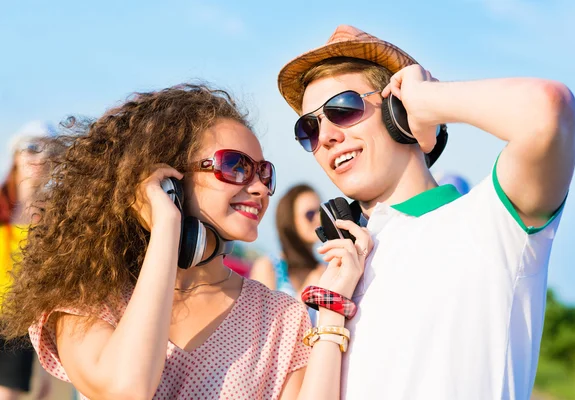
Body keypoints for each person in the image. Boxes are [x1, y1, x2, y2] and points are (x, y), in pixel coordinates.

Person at [0, 83, 372, 400]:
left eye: (264, 173)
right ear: (169, 180)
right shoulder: (87, 297)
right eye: (236, 166)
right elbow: (125, 388)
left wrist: (332, 310)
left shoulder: (280, 318)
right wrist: (166, 226)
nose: (259, 187)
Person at [277, 25, 575, 399]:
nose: (325, 137)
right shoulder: (343, 269)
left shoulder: (491, 221)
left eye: (344, 108)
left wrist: (428, 100)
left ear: (397, 112)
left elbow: (549, 110)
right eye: (309, 127)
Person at [0, 121, 59, 400]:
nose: (42, 157)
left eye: (51, 151)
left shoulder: (57, 220)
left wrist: (49, 368)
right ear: (16, 156)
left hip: (20, 322)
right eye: (32, 148)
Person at [251, 184, 325, 302]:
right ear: (291, 220)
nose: (319, 219)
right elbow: (262, 318)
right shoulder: (269, 266)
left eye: (321, 212)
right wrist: (311, 287)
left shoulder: (324, 269)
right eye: (310, 214)